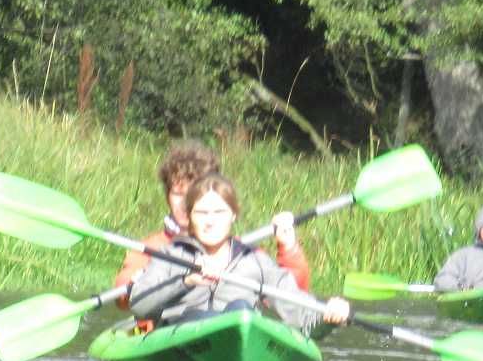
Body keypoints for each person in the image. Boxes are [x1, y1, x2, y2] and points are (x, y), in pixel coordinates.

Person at [127, 175, 351, 336]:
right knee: (227, 316)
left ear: (233, 215)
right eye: (202, 212)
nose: (210, 221)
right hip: (182, 335)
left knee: (241, 311)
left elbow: (303, 319)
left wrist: (328, 318)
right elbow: (138, 304)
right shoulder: (171, 255)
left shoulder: (255, 261)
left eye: (219, 212)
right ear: (189, 216)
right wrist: (186, 281)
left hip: (240, 331)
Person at [113, 141, 309, 303]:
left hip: (225, 325)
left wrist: (288, 249)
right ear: (167, 195)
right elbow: (123, 294)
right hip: (166, 328)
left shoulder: (242, 254)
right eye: (177, 194)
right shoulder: (152, 248)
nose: (184, 203)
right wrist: (143, 279)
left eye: (192, 194)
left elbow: (292, 295)